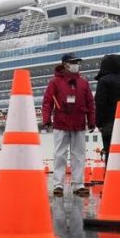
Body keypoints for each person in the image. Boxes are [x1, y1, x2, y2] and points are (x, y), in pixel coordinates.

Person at [42, 53, 95, 197]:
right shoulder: (55, 82)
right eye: (73, 62)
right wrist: (46, 119)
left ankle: (78, 185)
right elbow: (47, 102)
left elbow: (90, 103)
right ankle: (58, 185)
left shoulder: (84, 83)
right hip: (61, 122)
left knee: (79, 155)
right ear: (65, 64)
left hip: (78, 123)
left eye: (77, 62)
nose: (76, 64)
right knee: (60, 154)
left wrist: (91, 120)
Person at [94, 54, 120, 164]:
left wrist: (99, 123)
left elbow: (100, 103)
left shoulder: (104, 81)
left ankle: (111, 179)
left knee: (111, 155)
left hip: (109, 125)